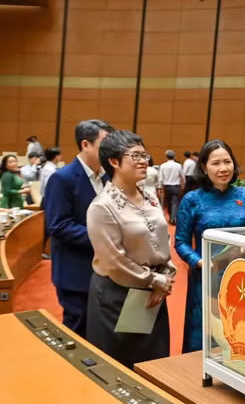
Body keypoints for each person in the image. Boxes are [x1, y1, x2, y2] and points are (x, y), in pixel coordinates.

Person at [86, 131, 175, 369]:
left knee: (154, 363)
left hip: (154, 292)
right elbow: (114, 261)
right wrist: (154, 280)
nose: (144, 160)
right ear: (114, 162)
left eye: (144, 154)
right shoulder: (102, 207)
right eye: (135, 155)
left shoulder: (150, 198)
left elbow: (163, 239)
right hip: (118, 294)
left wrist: (166, 277)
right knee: (119, 367)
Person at [175, 140, 245, 353]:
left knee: (239, 329)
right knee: (205, 330)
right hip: (206, 276)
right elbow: (180, 242)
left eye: (227, 162)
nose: (223, 168)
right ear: (203, 167)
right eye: (216, 163)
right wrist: (198, 262)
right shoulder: (192, 200)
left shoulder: (244, 196)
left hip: (239, 275)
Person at [44, 119, 114, 338]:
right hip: (75, 273)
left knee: (99, 335)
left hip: (105, 273)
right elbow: (59, 226)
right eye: (105, 142)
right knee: (78, 335)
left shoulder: (108, 177)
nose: (110, 149)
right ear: (86, 144)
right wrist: (104, 239)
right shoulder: (62, 178)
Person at [158, 150, 183, 225]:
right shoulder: (178, 165)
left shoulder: (163, 166)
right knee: (174, 203)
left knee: (168, 202)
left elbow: (160, 178)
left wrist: (160, 187)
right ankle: (172, 218)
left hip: (167, 186)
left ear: (166, 157)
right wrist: (183, 185)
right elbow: (182, 176)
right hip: (176, 186)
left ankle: (170, 217)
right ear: (174, 156)